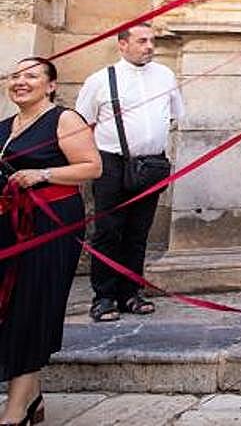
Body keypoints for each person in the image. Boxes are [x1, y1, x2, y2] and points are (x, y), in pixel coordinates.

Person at [0, 58, 102, 425]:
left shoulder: (64, 119)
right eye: (16, 75)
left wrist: (42, 173)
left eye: (31, 75)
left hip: (51, 225)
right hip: (10, 225)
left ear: (51, 85)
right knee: (11, 305)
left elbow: (92, 167)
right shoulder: (5, 126)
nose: (20, 81)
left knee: (31, 303)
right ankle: (33, 396)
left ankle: (15, 410)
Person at [75, 22, 184, 323]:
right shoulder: (100, 80)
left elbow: (174, 113)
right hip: (111, 163)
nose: (149, 46)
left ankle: (131, 292)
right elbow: (82, 123)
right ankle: (104, 296)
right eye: (141, 41)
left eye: (151, 41)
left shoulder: (165, 75)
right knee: (109, 230)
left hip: (151, 164)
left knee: (138, 232)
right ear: (122, 44)